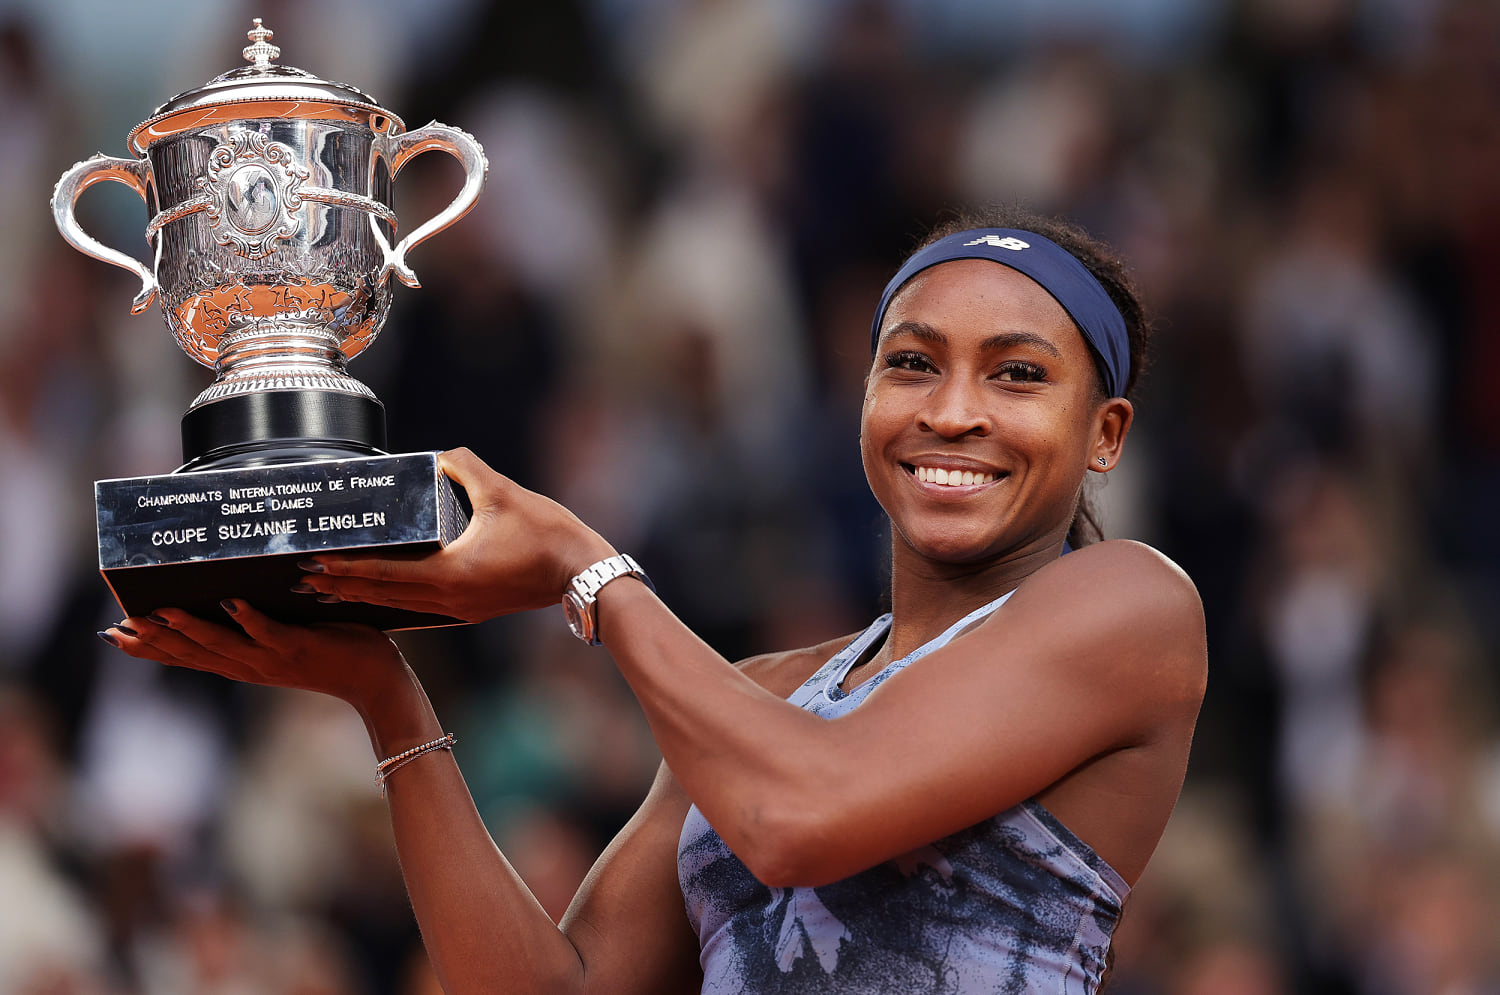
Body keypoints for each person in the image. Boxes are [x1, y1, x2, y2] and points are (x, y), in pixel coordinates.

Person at [100, 208, 1207, 994]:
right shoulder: (763, 698)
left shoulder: (1133, 603)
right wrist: (387, 699)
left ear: (1105, 433)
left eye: (1018, 374)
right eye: (912, 362)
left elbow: (798, 817)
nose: (953, 410)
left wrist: (586, 567)